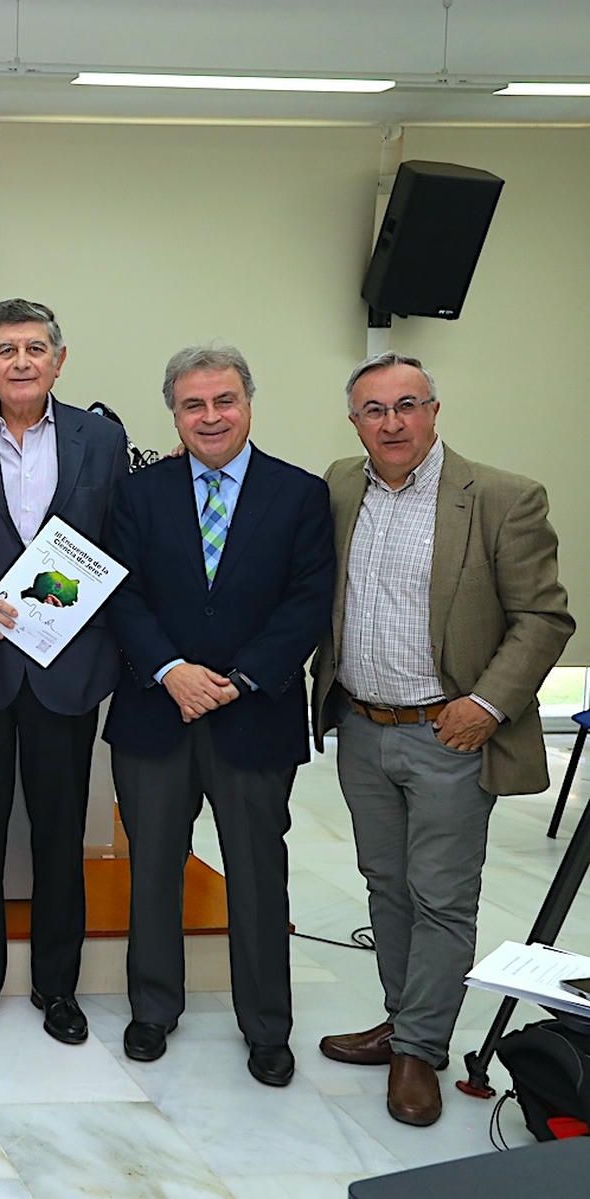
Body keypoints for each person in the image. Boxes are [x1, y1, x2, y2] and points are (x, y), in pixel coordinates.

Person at [309, 353, 572, 1126]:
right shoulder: (339, 486)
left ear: (434, 410)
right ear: (353, 421)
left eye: (407, 405)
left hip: (449, 733)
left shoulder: (500, 497)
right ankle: (402, 1020)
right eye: (373, 410)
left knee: (443, 896)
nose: (391, 423)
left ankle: (421, 1049)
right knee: (386, 886)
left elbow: (543, 617)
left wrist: (487, 703)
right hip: (363, 724)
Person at [105, 344, 334, 1086]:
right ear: (173, 413)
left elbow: (308, 601)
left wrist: (240, 678)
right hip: (155, 711)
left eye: (224, 400)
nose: (211, 416)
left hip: (253, 713)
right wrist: (171, 669)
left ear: (248, 403)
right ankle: (153, 1008)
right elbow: (123, 594)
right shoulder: (139, 495)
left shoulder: (299, 495)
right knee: (154, 869)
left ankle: (268, 1025)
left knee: (258, 875)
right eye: (193, 404)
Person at [0, 299, 128, 1045]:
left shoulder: (102, 439)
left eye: (34, 348)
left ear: (59, 360)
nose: (20, 361)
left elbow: (118, 541)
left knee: (58, 834)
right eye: (5, 349)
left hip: (65, 670)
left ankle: (58, 987)